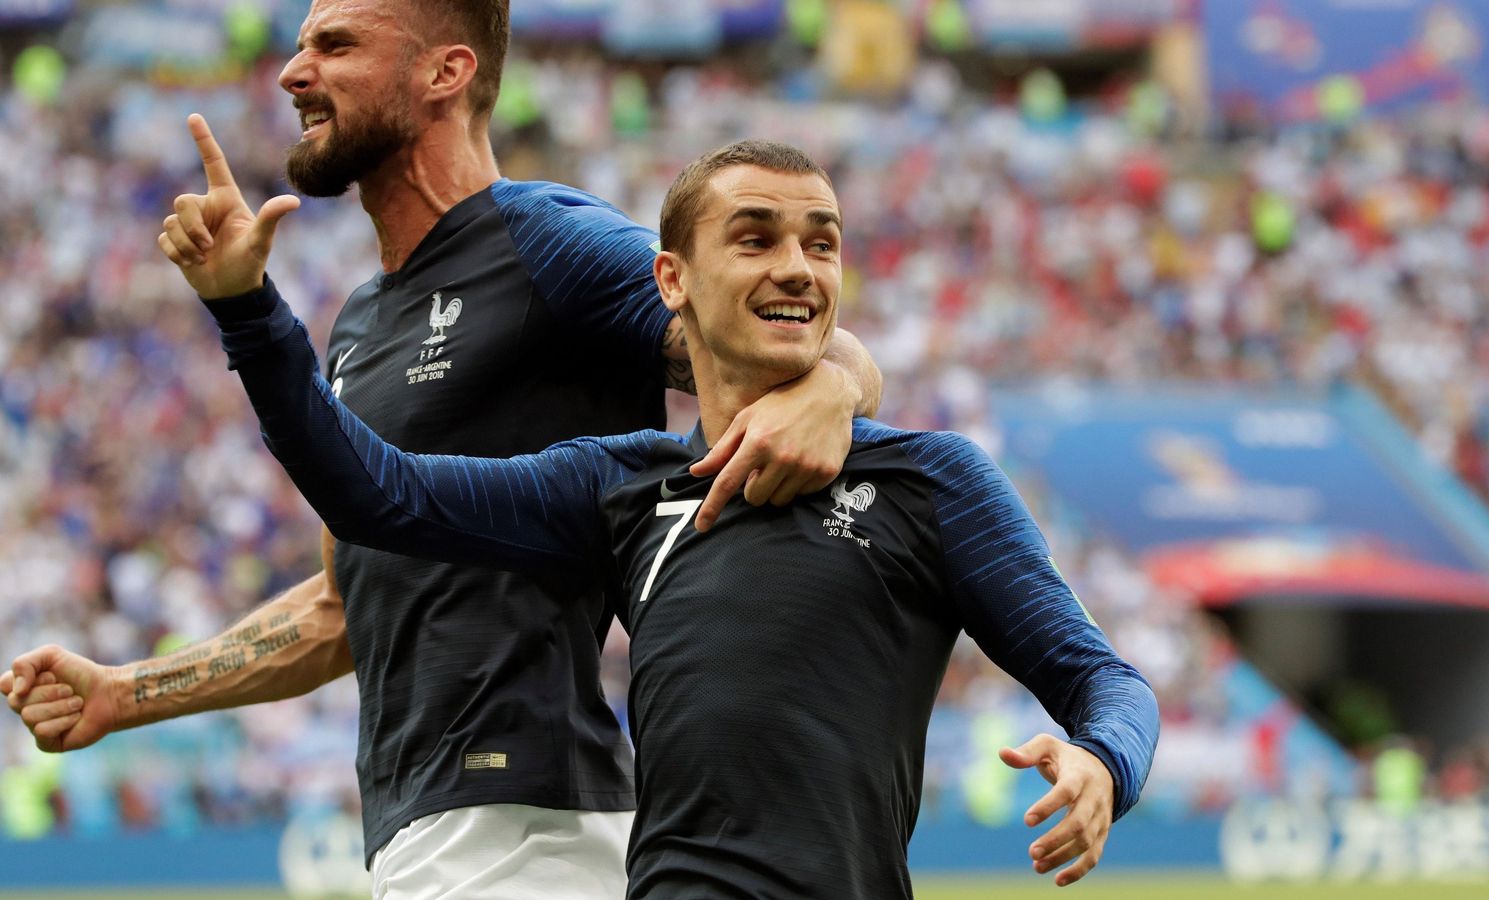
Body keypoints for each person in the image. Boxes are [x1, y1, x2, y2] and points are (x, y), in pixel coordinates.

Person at [1, 2, 880, 896]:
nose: (292, 73)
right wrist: (128, 693)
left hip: (526, 829)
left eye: (335, 46)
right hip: (434, 834)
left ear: (444, 73)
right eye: (302, 45)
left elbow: (797, 346)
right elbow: (343, 609)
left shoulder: (545, 241)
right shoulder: (358, 324)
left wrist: (834, 389)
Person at [162, 134, 1159, 896]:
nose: (798, 268)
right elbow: (374, 493)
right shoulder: (621, 486)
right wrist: (247, 310)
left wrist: (1100, 763)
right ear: (671, 279)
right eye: (755, 237)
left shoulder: (930, 482)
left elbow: (1102, 679)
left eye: (822, 243)